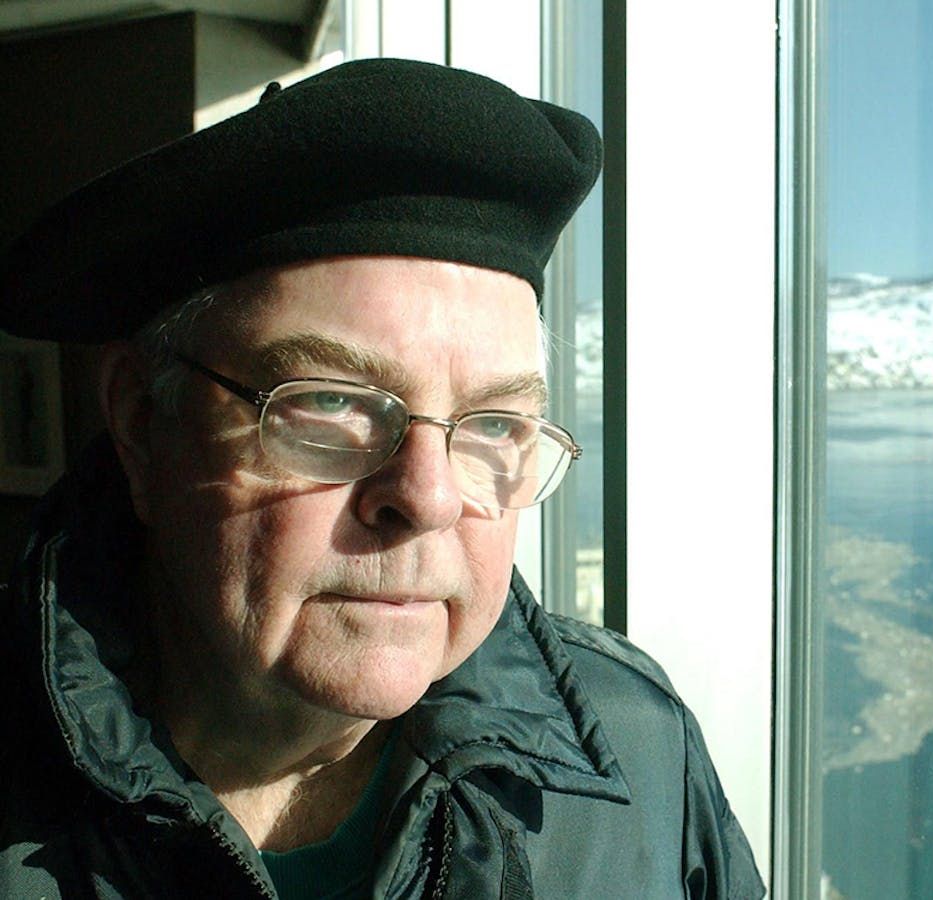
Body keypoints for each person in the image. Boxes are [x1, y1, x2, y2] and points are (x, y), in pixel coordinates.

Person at [0, 59, 764, 899]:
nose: (429, 499)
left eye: (494, 424)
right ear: (145, 421)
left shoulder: (639, 757)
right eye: (333, 403)